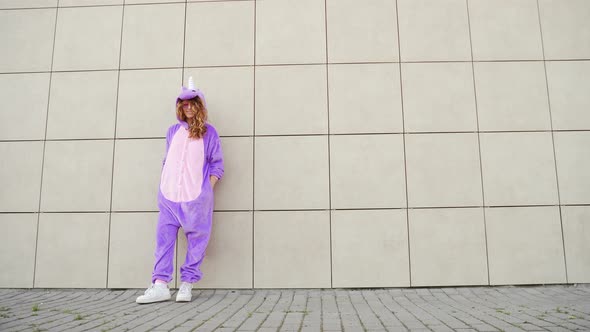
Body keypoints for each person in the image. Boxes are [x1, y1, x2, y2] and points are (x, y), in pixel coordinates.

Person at [136, 77, 224, 304]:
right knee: (163, 241)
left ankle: (187, 284)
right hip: (168, 198)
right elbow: (168, 160)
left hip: (195, 199)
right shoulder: (172, 131)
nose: (187, 106)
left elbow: (217, 165)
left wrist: (206, 190)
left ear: (199, 105)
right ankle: (160, 285)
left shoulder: (209, 133)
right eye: (183, 103)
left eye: (192, 102)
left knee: (197, 241)